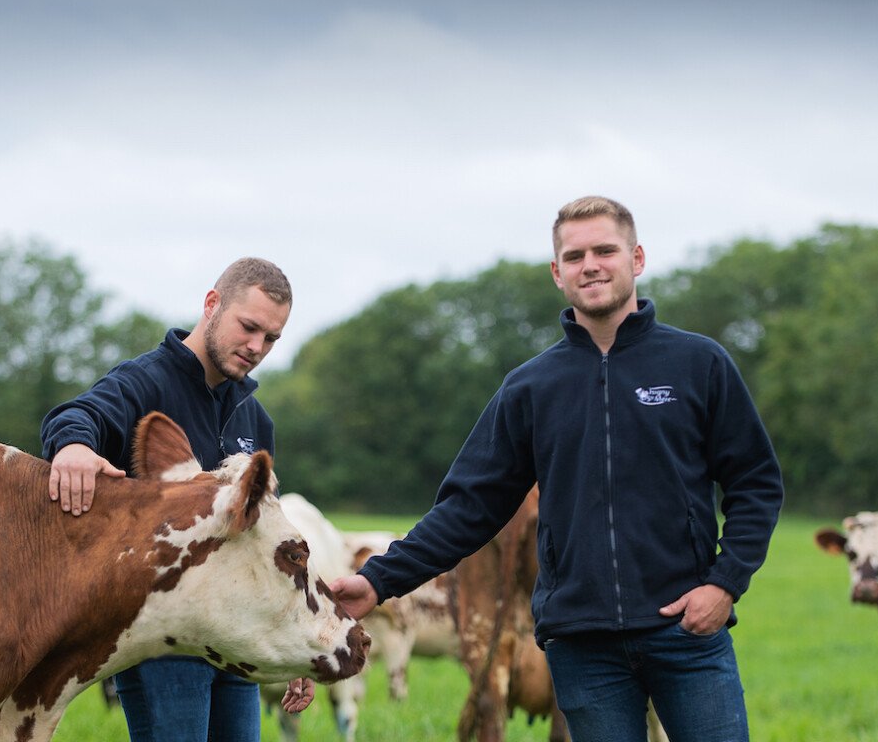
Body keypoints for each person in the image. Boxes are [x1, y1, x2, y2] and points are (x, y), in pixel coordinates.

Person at [328, 196, 785, 742]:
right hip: (582, 644)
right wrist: (379, 579)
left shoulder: (699, 365)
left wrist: (724, 584)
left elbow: (755, 483)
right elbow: (470, 508)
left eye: (604, 250)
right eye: (574, 256)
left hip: (686, 631)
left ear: (636, 259)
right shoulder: (531, 387)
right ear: (557, 272)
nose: (589, 264)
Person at [40, 256, 311, 741]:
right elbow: (77, 415)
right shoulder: (146, 382)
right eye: (248, 327)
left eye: (270, 338)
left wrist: (295, 636)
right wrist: (76, 447)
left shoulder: (256, 420)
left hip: (236, 641)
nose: (256, 347)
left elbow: (265, 541)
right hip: (164, 646)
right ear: (212, 304)